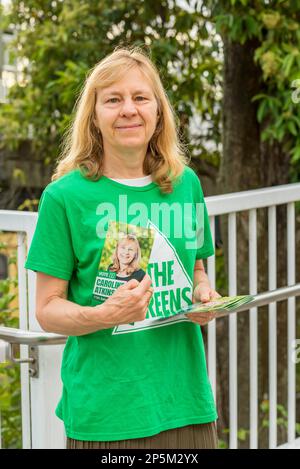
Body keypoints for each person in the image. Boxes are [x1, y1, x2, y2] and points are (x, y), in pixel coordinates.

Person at [24, 45, 221, 449]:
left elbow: (197, 268)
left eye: (140, 97)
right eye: (113, 100)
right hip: (107, 414)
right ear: (94, 117)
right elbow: (46, 309)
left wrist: (204, 294)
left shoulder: (186, 185)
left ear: (158, 111)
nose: (128, 109)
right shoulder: (65, 197)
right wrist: (104, 314)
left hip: (185, 403)